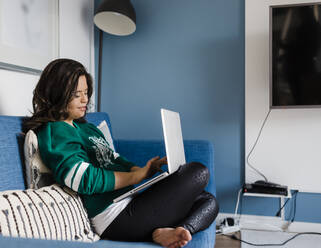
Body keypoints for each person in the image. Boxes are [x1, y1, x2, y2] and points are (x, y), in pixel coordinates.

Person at [23, 58, 219, 248]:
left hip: (129, 203)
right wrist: (135, 176)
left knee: (208, 201)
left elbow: (113, 159)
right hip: (114, 219)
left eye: (86, 92)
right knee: (198, 172)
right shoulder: (55, 131)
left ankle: (176, 231)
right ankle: (162, 232)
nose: (85, 99)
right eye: (76, 94)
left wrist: (145, 170)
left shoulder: (87, 129)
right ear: (57, 94)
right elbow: (83, 179)